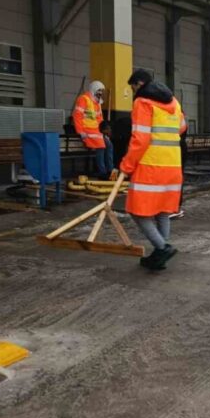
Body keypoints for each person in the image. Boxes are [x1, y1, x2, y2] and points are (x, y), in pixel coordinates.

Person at [120, 69, 187, 271]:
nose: (133, 92)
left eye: (133, 88)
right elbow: (182, 127)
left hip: (151, 167)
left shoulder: (142, 103)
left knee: (137, 212)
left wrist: (127, 165)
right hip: (173, 165)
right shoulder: (174, 102)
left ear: (139, 84)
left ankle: (162, 247)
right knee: (162, 211)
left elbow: (140, 139)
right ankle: (160, 255)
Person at [73, 80, 113, 179]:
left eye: (101, 91)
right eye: (99, 91)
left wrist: (104, 132)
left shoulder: (97, 103)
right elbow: (77, 116)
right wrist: (80, 131)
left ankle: (110, 171)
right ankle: (103, 172)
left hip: (97, 131)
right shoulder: (84, 99)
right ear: (93, 90)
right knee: (101, 146)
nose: (100, 93)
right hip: (87, 130)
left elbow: (100, 119)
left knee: (109, 145)